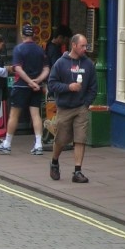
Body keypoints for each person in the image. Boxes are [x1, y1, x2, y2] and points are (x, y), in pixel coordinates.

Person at [47, 33, 97, 183]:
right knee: (61, 140)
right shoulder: (60, 63)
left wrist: (86, 103)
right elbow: (51, 84)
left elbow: (93, 87)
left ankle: (77, 171)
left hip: (81, 108)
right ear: (74, 45)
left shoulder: (88, 64)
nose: (85, 49)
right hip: (64, 107)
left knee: (80, 139)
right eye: (82, 46)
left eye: (86, 46)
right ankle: (54, 162)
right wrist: (68, 87)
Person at [0, 24, 49, 155]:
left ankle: (7, 144)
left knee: (14, 114)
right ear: (33, 35)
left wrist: (30, 81)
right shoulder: (40, 50)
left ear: (22, 35)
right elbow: (47, 69)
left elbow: (18, 68)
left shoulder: (18, 49)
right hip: (36, 87)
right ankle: (38, 144)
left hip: (21, 85)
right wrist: (37, 81)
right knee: (35, 114)